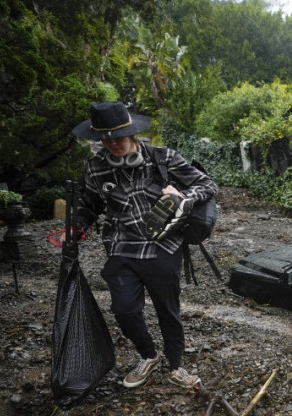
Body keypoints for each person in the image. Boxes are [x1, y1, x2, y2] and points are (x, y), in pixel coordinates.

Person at [68, 101, 218, 389]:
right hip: (122, 247)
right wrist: (74, 228)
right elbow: (90, 204)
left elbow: (208, 185)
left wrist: (182, 196)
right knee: (124, 310)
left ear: (131, 132)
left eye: (118, 136)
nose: (112, 143)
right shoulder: (96, 168)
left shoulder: (163, 158)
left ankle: (176, 365)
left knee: (167, 310)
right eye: (104, 138)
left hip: (163, 247)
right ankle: (149, 355)